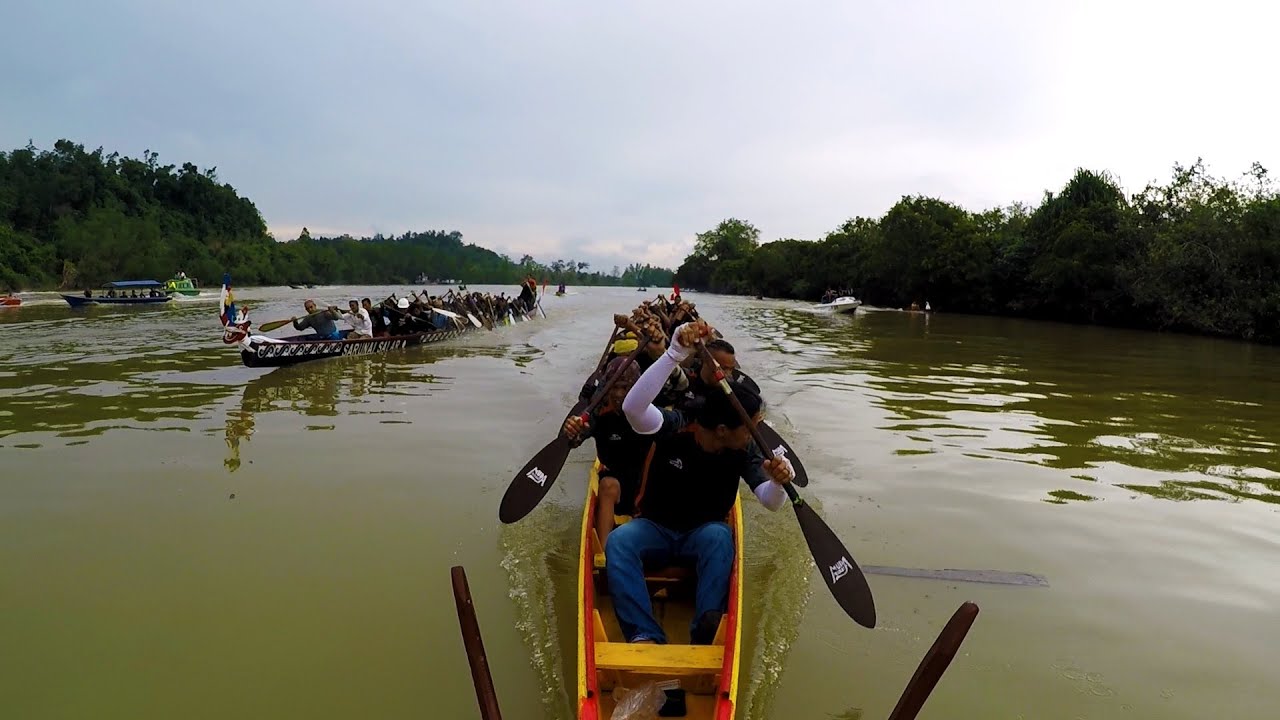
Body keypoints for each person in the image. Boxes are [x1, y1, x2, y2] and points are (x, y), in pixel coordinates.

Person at [609, 320, 793, 645]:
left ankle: (706, 629)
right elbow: (633, 409)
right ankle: (644, 633)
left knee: (720, 537)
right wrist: (673, 354)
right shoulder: (679, 425)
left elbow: (769, 501)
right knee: (619, 541)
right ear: (722, 430)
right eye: (750, 427)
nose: (755, 434)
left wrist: (778, 482)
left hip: (702, 535)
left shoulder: (745, 449)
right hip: (655, 527)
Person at [563, 356, 650, 548]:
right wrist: (573, 430)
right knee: (608, 485)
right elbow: (576, 439)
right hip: (615, 481)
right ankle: (604, 553)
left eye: (625, 388)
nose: (618, 394)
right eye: (614, 387)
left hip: (646, 482)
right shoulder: (598, 411)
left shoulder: (650, 411)